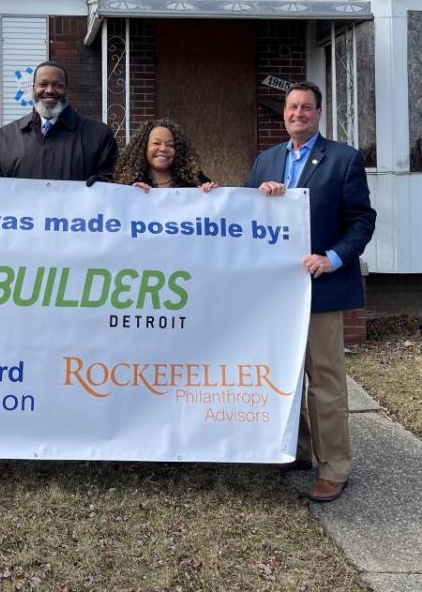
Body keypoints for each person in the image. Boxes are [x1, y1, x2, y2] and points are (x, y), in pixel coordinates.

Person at [245, 80, 375, 503]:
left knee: (325, 382)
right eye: (291, 107)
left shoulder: (343, 159)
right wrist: (261, 199)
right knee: (284, 375)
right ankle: (296, 451)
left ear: (318, 114)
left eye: (306, 108)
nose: (297, 113)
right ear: (283, 113)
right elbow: (245, 218)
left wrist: (332, 257)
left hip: (321, 289)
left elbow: (362, 221)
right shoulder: (267, 160)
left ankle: (335, 468)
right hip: (277, 294)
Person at [0, 60, 118, 182]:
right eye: (42, 84)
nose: (49, 90)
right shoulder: (4, 138)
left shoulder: (98, 135)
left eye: (58, 85)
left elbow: (113, 181)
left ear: (67, 90)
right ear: (33, 89)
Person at [114, 118, 217, 191]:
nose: (163, 149)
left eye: (170, 145)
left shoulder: (195, 180)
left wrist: (212, 194)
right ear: (143, 148)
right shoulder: (129, 185)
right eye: (156, 143)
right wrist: (132, 195)